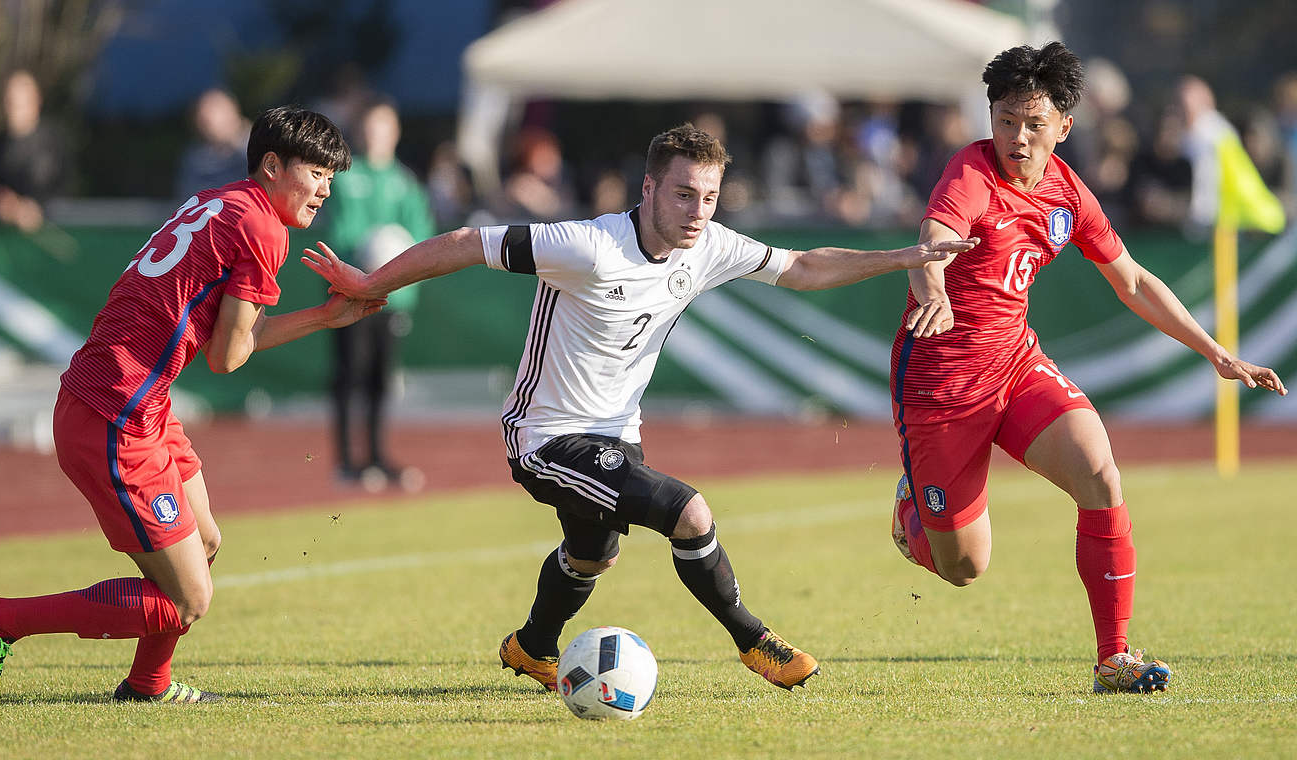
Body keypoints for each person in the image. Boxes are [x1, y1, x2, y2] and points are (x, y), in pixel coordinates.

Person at [303, 123, 976, 692]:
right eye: (683, 193)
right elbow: (465, 243)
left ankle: (534, 648)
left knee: (591, 555)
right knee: (689, 512)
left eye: (709, 197)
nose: (697, 210)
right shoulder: (588, 246)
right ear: (649, 188)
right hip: (545, 438)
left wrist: (905, 256)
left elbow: (801, 267)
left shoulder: (708, 244)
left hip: (617, 435)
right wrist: (371, 284)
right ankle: (754, 641)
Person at [887, 43, 1287, 694]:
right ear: (990, 117)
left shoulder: (1067, 192)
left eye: (1033, 124)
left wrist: (1215, 351)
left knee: (1100, 471)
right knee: (964, 567)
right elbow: (931, 242)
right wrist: (931, 287)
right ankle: (913, 513)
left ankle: (1114, 659)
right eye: (1006, 120)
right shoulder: (969, 174)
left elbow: (1131, 280)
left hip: (1015, 366)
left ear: (1064, 127)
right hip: (941, 386)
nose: (1017, 137)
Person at [0, 105, 383, 706]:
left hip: (133, 403)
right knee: (188, 599)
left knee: (204, 541)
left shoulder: (223, 199)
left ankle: (147, 683)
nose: (325, 189)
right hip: (115, 415)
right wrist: (325, 317)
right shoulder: (264, 228)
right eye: (317, 173)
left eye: (332, 177)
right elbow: (227, 358)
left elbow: (209, 338)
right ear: (272, 164)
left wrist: (326, 315)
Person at [323, 100, 434, 490]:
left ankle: (375, 455)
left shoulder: (405, 182)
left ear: (395, 133)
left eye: (384, 127)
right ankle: (345, 461)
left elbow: (419, 238)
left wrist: (400, 282)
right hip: (350, 291)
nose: (376, 135)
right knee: (349, 373)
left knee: (380, 379)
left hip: (392, 297)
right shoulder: (346, 179)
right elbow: (340, 234)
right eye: (370, 127)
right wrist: (358, 271)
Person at [0, 69, 66, 234]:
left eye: (20, 103)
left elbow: (62, 187)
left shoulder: (54, 145)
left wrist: (35, 208)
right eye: (9, 102)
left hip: (48, 238)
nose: (13, 109)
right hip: (0, 243)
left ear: (36, 101)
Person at [174, 89, 250, 201]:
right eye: (202, 120)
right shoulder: (195, 159)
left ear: (232, 113)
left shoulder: (261, 148)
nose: (205, 124)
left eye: (212, 116)